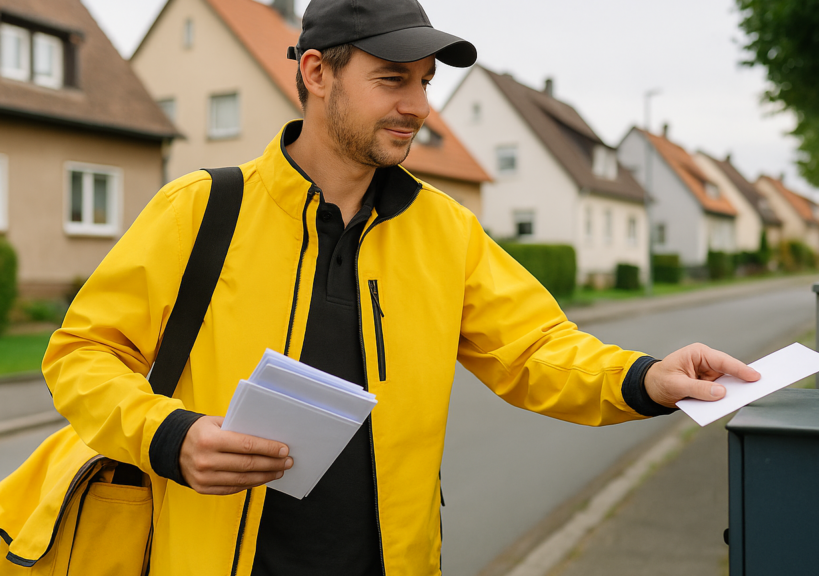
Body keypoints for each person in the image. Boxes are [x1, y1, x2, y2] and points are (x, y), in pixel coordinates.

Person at [43, 0, 760, 574]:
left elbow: (538, 350)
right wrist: (172, 435)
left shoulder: (445, 230)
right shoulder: (202, 209)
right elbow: (81, 354)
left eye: (425, 82)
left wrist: (647, 378)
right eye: (394, 79)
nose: (419, 105)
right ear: (318, 72)